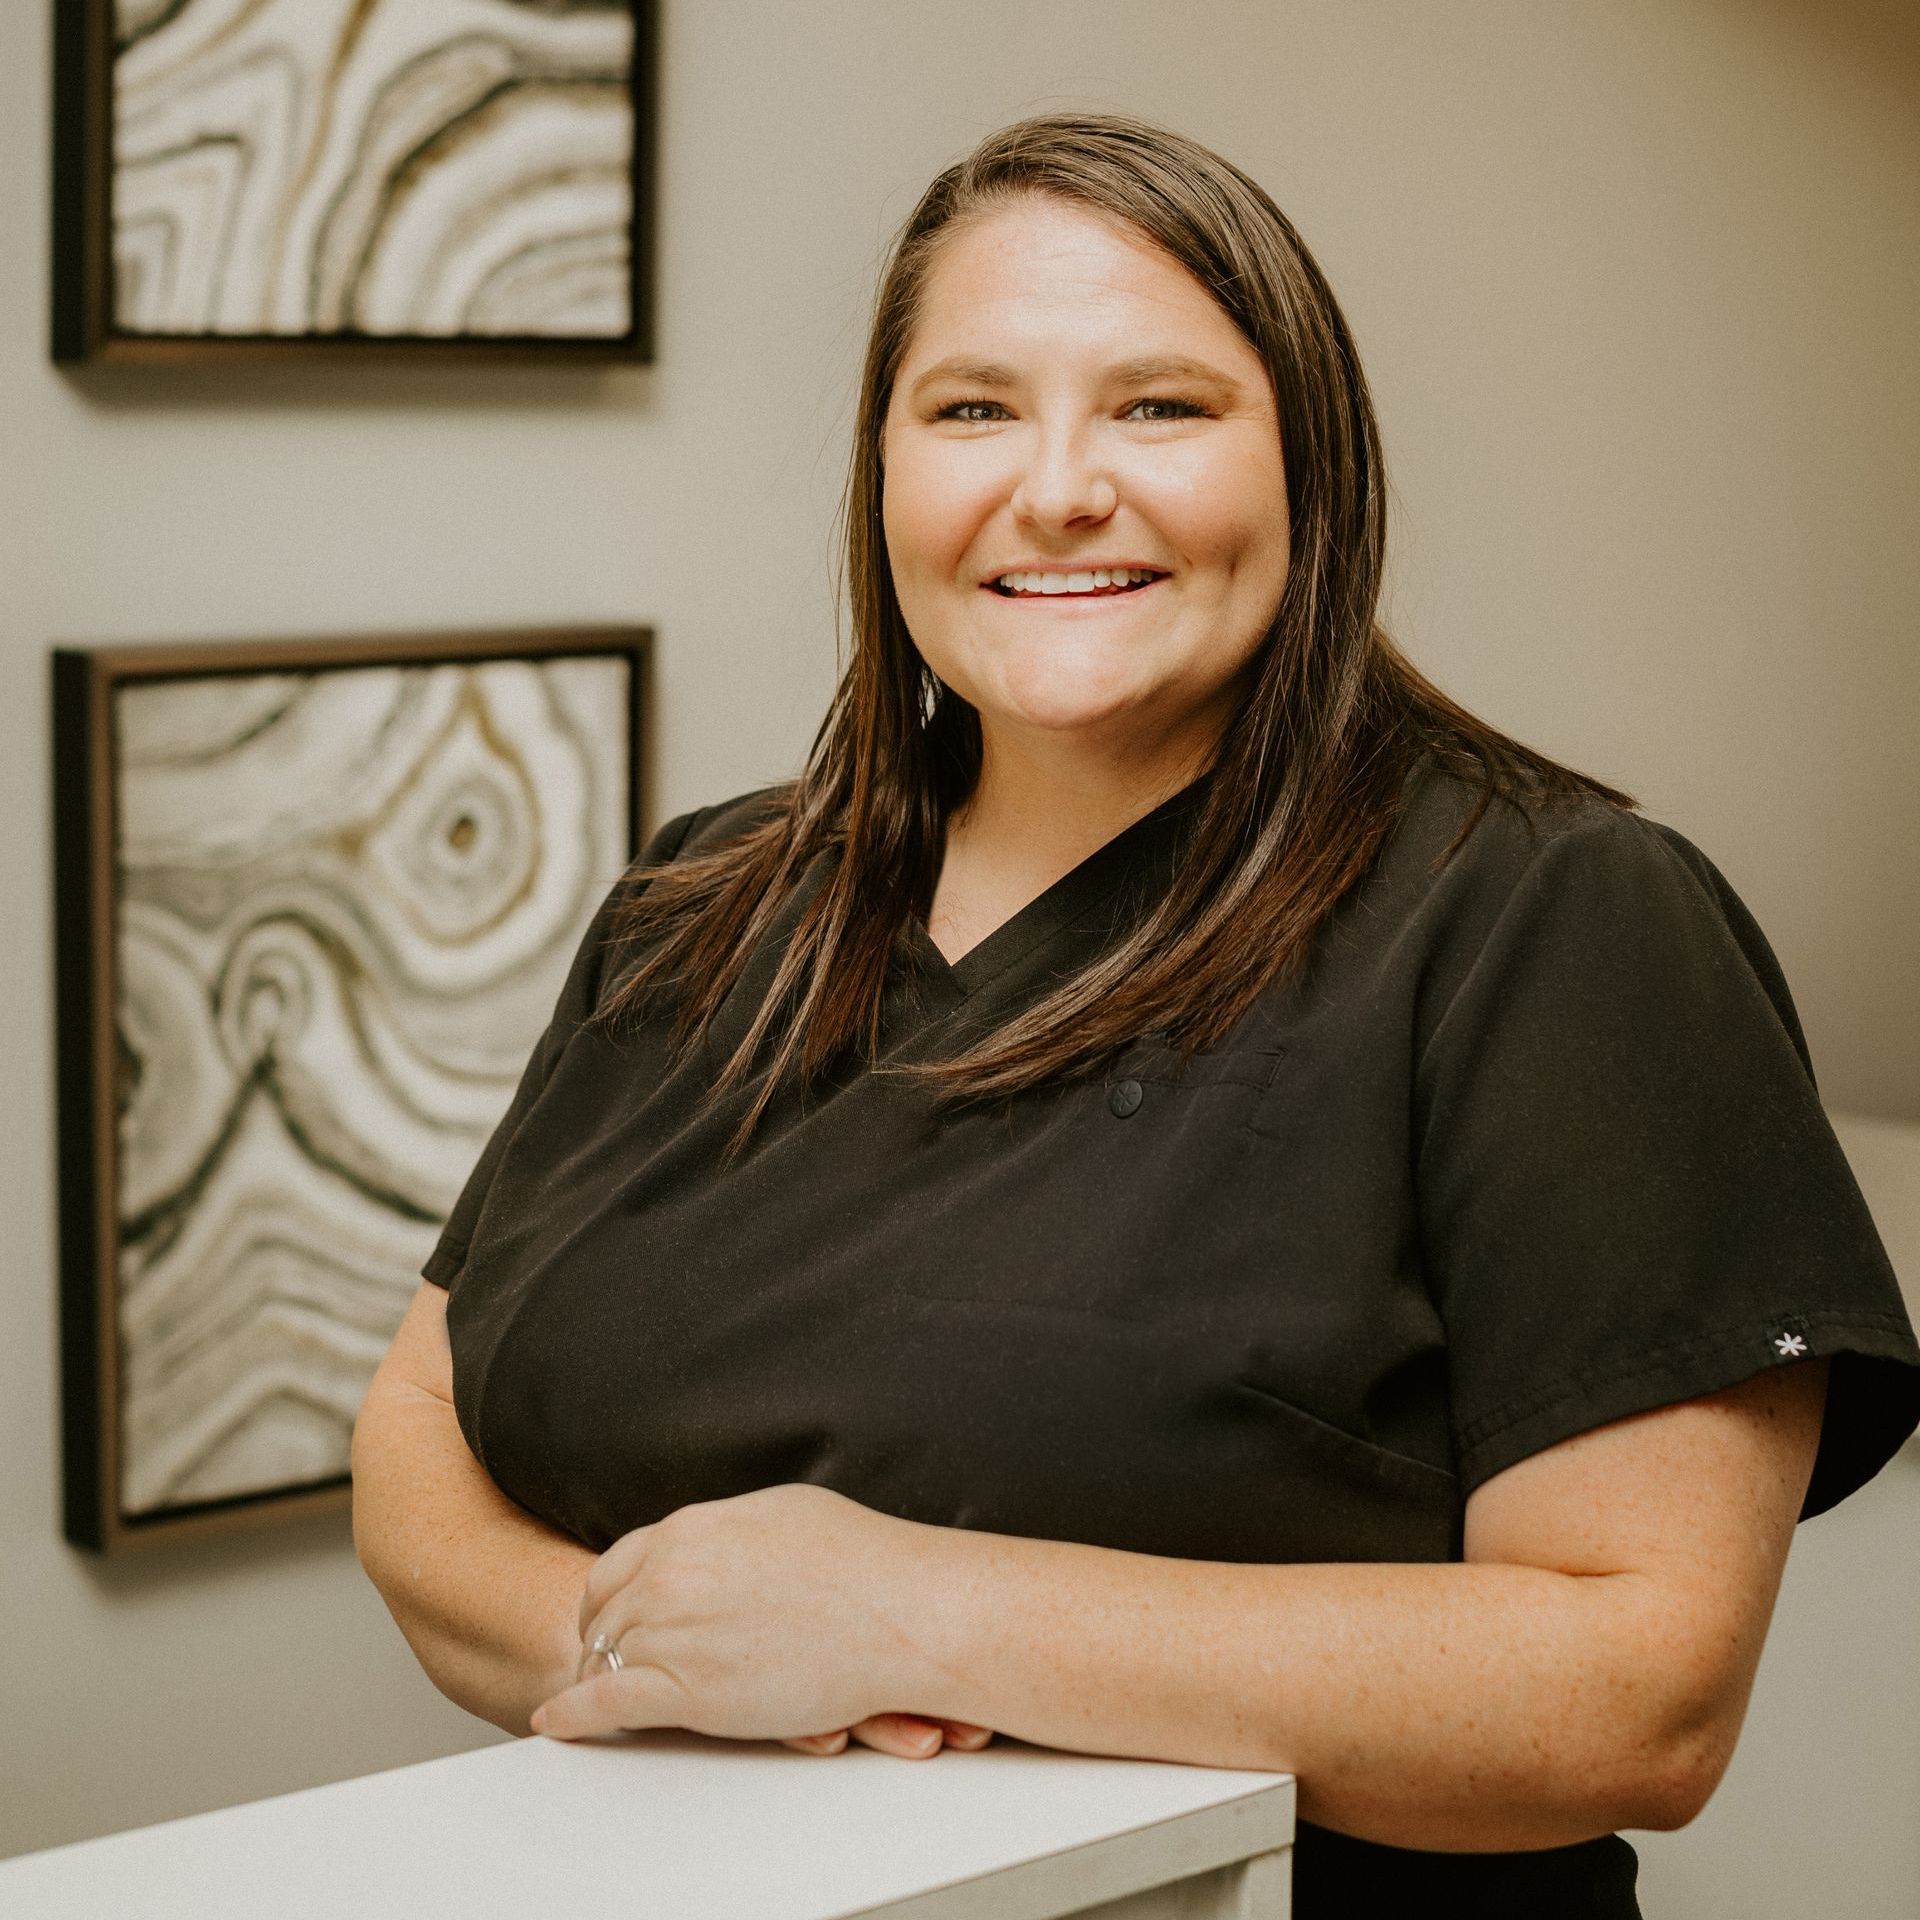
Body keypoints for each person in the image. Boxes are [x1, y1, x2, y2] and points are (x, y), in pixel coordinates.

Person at [351, 111, 1920, 1917]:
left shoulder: (1554, 922)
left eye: (1160, 406)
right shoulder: (708, 905)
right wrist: (649, 1654)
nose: (1059, 486)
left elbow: (1636, 1697)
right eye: (972, 409)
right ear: (883, 471)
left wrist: (912, 1620)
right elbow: (421, 1424)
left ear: (1308, 469)